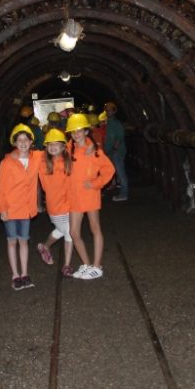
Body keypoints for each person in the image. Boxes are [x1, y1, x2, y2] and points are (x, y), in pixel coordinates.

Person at [66, 113, 115, 280]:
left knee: (95, 229)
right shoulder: (67, 149)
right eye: (73, 131)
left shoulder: (95, 151)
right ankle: (87, 264)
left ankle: (97, 266)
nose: (76, 134)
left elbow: (109, 170)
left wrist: (95, 184)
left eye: (80, 130)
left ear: (86, 131)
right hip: (74, 197)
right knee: (73, 232)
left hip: (90, 195)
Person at [0, 124, 44, 290]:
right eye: (19, 140)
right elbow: (0, 187)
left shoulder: (37, 157)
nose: (23, 143)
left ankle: (25, 274)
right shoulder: (7, 163)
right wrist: (2, 208)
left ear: (31, 142)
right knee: (12, 242)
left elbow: (56, 150)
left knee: (24, 242)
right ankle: (15, 275)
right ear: (14, 143)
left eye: (26, 139)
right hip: (10, 208)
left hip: (26, 208)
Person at [36, 128, 76, 276]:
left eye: (57, 144)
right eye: (49, 144)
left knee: (62, 231)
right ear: (46, 146)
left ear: (64, 146)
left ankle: (45, 247)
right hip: (55, 205)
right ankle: (66, 264)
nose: (53, 147)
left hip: (70, 204)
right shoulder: (41, 161)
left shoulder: (69, 161)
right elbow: (25, 152)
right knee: (69, 233)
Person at [103, 102, 129, 202]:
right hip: (111, 151)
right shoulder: (108, 122)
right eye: (107, 110)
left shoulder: (116, 123)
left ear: (114, 111)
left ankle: (124, 194)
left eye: (110, 110)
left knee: (120, 173)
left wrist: (115, 149)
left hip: (116, 152)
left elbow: (120, 136)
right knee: (116, 172)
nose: (108, 111)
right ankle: (116, 188)